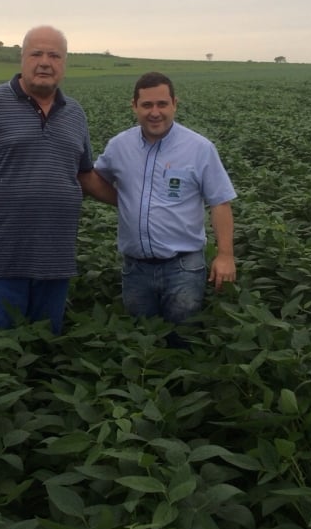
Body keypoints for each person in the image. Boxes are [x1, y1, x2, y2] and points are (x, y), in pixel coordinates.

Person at [0, 26, 114, 336]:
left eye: (54, 55)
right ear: (22, 58)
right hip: (0, 258)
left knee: (44, 354)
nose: (45, 62)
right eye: (37, 54)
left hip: (56, 261)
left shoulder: (75, 114)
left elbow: (84, 174)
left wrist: (137, 201)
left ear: (64, 63)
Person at [94, 71, 236, 343]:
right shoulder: (119, 146)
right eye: (147, 105)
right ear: (134, 106)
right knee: (141, 343)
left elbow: (220, 201)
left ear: (174, 104)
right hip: (135, 269)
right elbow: (95, 179)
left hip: (183, 267)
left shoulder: (199, 148)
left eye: (162, 104)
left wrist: (225, 255)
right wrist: (122, 199)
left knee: (183, 341)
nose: (155, 112)